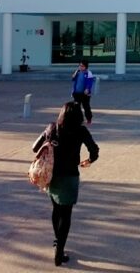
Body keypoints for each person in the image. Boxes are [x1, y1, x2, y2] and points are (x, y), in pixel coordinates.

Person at [32, 101, 99, 266]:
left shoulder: (52, 127)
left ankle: (57, 242)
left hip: (52, 175)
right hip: (70, 176)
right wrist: (88, 160)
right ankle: (59, 251)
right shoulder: (81, 130)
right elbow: (94, 151)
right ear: (79, 116)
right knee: (66, 214)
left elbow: (35, 148)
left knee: (56, 209)